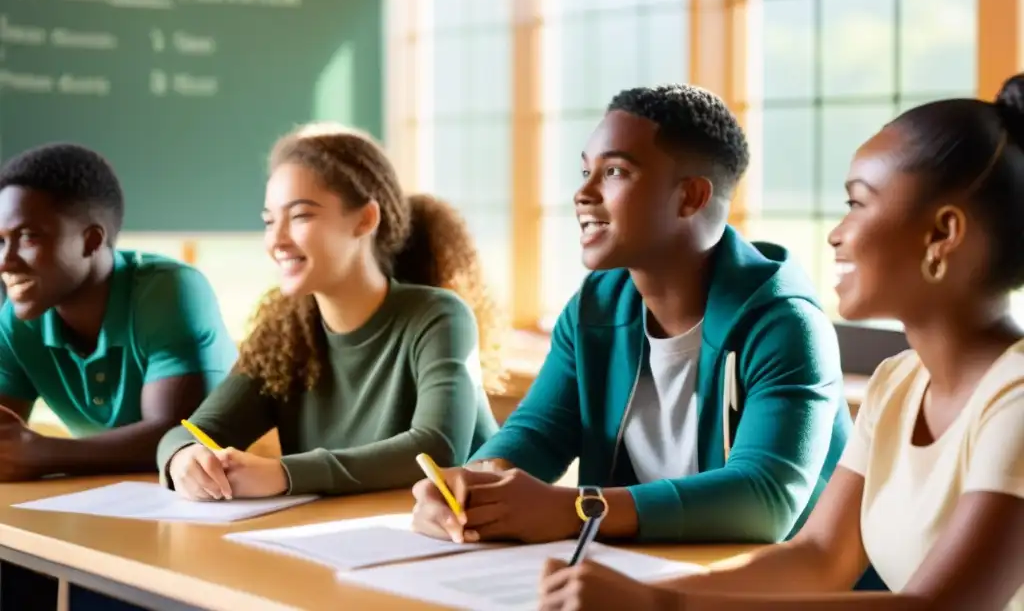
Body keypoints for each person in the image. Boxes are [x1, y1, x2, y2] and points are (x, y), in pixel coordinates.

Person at [537, 82, 1024, 610]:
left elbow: (941, 606)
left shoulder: (1015, 398)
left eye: (857, 204)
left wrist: (661, 607)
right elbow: (819, 557)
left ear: (942, 234)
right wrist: (639, 596)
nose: (837, 234)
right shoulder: (899, 383)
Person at [412, 84, 852, 547]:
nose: (582, 193)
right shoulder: (594, 307)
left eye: (615, 171)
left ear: (691, 197)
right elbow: (539, 433)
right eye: (586, 170)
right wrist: (477, 486)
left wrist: (576, 510)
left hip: (776, 589)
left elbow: (765, 500)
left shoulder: (785, 325)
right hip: (646, 575)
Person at [157, 123, 500, 499]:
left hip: (460, 542)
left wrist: (283, 474)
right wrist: (183, 457)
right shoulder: (283, 332)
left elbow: (436, 449)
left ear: (366, 219)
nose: (277, 240)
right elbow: (194, 432)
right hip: (340, 543)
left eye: (301, 216)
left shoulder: (439, 317)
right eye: (270, 221)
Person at [0, 143, 236, 611]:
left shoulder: (170, 290)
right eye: (0, 240)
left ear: (90, 240)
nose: (6, 261)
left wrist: (42, 452)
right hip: (107, 515)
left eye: (27, 237)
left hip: (209, 515)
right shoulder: (17, 318)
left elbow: (179, 437)